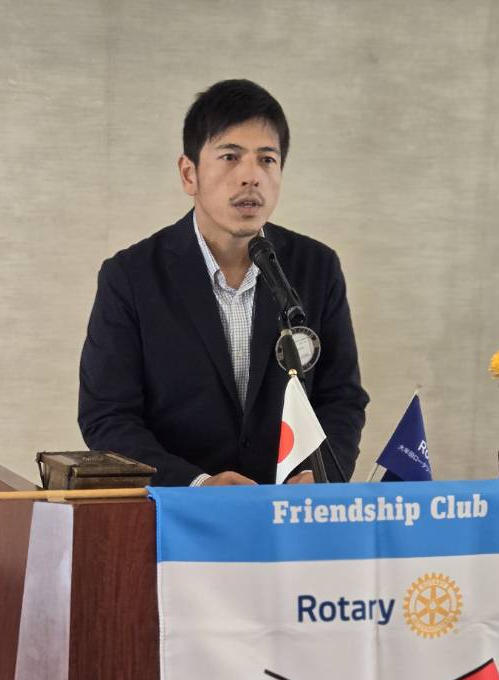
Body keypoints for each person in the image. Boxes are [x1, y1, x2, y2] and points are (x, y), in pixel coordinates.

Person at [77, 79, 368, 487]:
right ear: (189, 174)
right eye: (230, 157)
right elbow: (107, 416)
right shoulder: (131, 276)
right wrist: (197, 485)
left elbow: (342, 399)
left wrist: (318, 476)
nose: (251, 176)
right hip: (178, 512)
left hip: (288, 510)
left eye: (267, 160)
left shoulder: (316, 267)